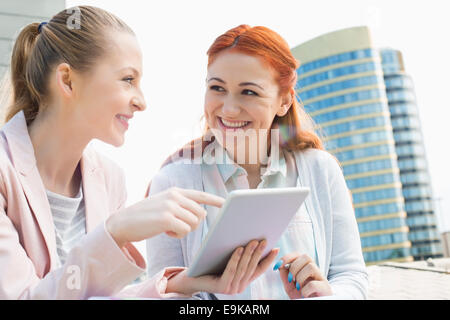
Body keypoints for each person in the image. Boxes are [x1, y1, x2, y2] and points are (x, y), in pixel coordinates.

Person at [0, 6, 274, 300]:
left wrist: (182, 284)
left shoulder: (108, 179)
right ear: (67, 80)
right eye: (128, 80)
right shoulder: (6, 169)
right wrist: (116, 231)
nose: (142, 102)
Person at [146, 24, 369, 299]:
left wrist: (325, 295)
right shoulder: (172, 183)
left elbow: (352, 276)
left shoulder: (320, 170)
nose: (228, 108)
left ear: (284, 102)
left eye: (249, 92)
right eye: (217, 88)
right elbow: (162, 291)